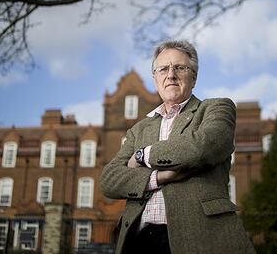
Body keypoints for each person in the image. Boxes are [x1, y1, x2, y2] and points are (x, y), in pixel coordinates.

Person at [100, 40, 256, 254]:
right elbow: (109, 180)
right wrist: (158, 178)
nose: (170, 74)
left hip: (201, 236)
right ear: (155, 79)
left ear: (194, 76)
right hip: (139, 239)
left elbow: (201, 147)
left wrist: (142, 155)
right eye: (163, 68)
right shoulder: (139, 129)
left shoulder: (216, 109)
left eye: (180, 67)